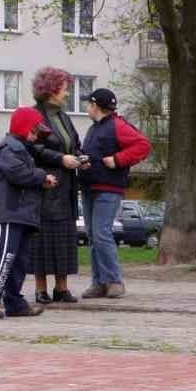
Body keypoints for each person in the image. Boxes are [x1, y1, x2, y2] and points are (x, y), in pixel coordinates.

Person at [0, 108, 58, 319]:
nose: (36, 135)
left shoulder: (22, 150)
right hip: (8, 213)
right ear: (23, 128)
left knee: (19, 260)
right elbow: (18, 174)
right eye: (34, 130)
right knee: (4, 257)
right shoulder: (6, 149)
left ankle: (14, 302)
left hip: (22, 215)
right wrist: (42, 177)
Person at [78, 88, 151, 299]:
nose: (86, 108)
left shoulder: (117, 125)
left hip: (108, 188)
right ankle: (99, 282)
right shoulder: (94, 129)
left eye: (87, 104)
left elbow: (143, 145)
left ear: (95, 106)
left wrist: (118, 160)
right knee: (93, 235)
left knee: (101, 233)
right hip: (90, 186)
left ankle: (114, 281)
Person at [28, 67, 84, 305]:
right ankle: (41, 289)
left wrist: (81, 158)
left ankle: (62, 288)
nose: (67, 93)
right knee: (42, 238)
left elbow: (74, 144)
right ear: (51, 90)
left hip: (67, 186)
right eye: (65, 88)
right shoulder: (35, 116)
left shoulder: (63, 116)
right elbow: (34, 148)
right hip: (46, 185)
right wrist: (61, 159)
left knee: (64, 237)